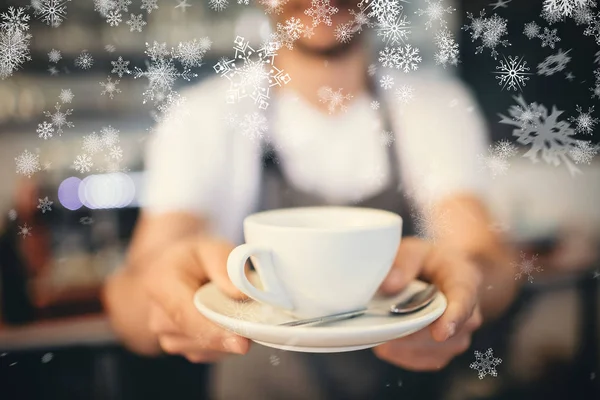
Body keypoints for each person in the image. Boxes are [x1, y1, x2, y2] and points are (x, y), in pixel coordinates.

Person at [102, 1, 519, 398]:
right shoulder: (204, 116)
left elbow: (486, 255)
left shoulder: (435, 108)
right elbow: (131, 300)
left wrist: (466, 285)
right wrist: (159, 299)